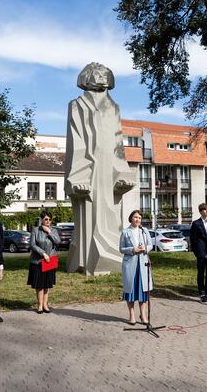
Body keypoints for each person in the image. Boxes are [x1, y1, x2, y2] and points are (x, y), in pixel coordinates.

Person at [65, 62, 135, 275]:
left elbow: (117, 143)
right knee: (89, 212)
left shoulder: (113, 108)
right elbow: (76, 141)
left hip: (108, 167)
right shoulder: (77, 105)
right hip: (88, 168)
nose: (101, 76)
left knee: (110, 213)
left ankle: (110, 256)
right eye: (96, 73)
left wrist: (121, 173)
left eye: (104, 73)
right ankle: (86, 261)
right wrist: (79, 175)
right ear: (86, 76)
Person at [119, 210, 153, 324]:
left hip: (143, 264)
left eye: (139, 218)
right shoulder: (125, 232)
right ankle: (131, 315)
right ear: (131, 218)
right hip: (130, 265)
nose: (137, 219)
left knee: (143, 291)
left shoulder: (144, 231)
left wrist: (145, 248)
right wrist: (133, 250)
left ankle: (143, 315)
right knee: (131, 291)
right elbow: (121, 249)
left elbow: (150, 245)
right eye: (135, 217)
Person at [27, 210, 61, 313]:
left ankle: (45, 305)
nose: (48, 221)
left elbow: (58, 241)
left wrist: (49, 232)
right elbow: (32, 245)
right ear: (42, 219)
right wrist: (43, 253)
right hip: (38, 261)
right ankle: (40, 305)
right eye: (46, 219)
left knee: (47, 284)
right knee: (39, 285)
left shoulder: (53, 230)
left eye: (50, 219)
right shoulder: (35, 230)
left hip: (50, 261)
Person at [190, 203, 207, 304]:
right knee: (201, 273)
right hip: (201, 251)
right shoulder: (196, 223)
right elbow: (193, 239)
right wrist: (196, 252)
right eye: (205, 210)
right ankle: (202, 294)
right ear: (201, 211)